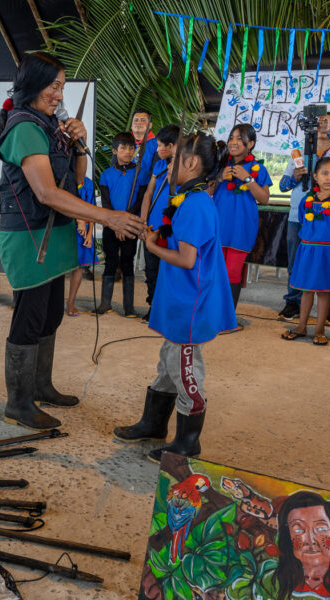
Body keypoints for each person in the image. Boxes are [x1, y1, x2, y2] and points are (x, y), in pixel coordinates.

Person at [0, 51, 145, 430]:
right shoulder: (24, 126)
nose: (58, 95)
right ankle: (19, 402)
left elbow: (77, 177)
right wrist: (106, 217)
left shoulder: (49, 125)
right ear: (32, 83)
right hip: (31, 233)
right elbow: (46, 193)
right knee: (29, 317)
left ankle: (41, 385)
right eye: (53, 86)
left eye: (62, 87)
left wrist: (80, 142)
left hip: (55, 231)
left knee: (51, 313)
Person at [113, 132, 236, 462]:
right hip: (180, 300)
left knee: (185, 371)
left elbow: (187, 259)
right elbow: (175, 239)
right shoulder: (185, 197)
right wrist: (154, 234)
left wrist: (152, 245)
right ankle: (153, 424)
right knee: (169, 364)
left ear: (192, 163)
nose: (166, 166)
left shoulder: (195, 204)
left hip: (190, 306)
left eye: (172, 160)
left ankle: (187, 442)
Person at [278, 112, 330, 324]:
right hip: (299, 215)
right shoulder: (300, 152)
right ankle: (293, 300)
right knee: (295, 261)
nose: (322, 124)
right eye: (320, 121)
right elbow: (283, 186)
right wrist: (295, 176)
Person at [281, 157, 330, 346]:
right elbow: (304, 220)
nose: (329, 178)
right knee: (306, 290)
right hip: (307, 249)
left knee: (323, 291)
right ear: (315, 176)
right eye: (324, 173)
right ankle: (301, 326)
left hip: (328, 251)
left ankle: (320, 329)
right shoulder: (307, 200)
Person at [212, 124, 271, 308]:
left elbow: (264, 199)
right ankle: (212, 312)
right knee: (215, 271)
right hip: (218, 227)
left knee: (232, 272)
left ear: (251, 143)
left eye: (239, 138)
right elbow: (206, 192)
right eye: (231, 138)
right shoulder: (219, 164)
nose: (233, 142)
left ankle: (228, 317)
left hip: (242, 228)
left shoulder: (258, 169)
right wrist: (219, 178)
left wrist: (248, 178)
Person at [94, 131, 148, 317]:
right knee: (110, 262)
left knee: (127, 262)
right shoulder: (106, 175)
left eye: (131, 148)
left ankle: (129, 308)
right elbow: (106, 202)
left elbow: (140, 200)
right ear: (115, 150)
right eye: (123, 148)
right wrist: (116, 224)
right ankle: (104, 304)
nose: (128, 151)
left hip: (131, 224)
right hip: (111, 224)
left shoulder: (141, 173)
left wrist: (125, 222)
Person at [275, 491, 330, 600]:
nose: (310, 540)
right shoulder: (269, 584)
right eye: (298, 530)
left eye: (321, 528)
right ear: (288, 538)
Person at [138, 125, 179, 322]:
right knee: (151, 269)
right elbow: (148, 194)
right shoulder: (159, 166)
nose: (157, 150)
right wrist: (143, 222)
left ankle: (169, 308)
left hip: (173, 229)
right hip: (152, 226)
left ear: (172, 146)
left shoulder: (185, 168)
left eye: (161, 146)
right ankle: (153, 305)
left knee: (170, 270)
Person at [66, 172, 98, 316]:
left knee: (78, 268)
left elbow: (91, 210)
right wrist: (77, 219)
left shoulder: (88, 183)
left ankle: (70, 302)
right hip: (64, 227)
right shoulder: (64, 179)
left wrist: (90, 233)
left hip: (83, 231)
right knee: (57, 268)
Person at [130, 108, 159, 184]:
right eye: (136, 120)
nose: (138, 123)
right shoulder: (123, 142)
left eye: (143, 120)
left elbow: (156, 174)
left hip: (145, 189)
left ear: (150, 125)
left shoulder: (157, 145)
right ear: (131, 125)